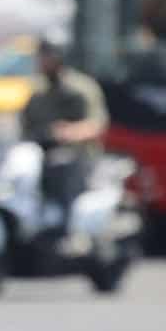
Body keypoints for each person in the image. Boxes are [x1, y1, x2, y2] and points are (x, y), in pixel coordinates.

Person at [18, 30, 107, 235]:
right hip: (40, 155)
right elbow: (24, 128)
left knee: (62, 162)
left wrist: (67, 132)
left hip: (78, 157)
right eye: (41, 54)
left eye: (47, 55)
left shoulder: (81, 89)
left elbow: (97, 125)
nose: (43, 60)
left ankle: (69, 232)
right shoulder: (36, 91)